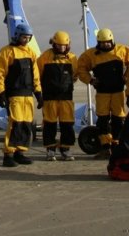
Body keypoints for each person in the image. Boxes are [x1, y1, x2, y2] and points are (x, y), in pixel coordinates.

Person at [0, 22, 43, 167]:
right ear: (17, 36)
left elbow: (35, 76)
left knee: (26, 124)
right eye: (23, 37)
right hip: (14, 95)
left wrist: (38, 93)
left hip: (27, 95)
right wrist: (0, 94)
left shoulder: (30, 53)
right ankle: (8, 154)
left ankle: (20, 152)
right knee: (15, 124)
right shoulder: (6, 52)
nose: (26, 40)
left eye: (28, 38)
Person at [77, 28, 129, 158]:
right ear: (98, 42)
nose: (105, 44)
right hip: (102, 92)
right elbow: (81, 69)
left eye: (108, 42)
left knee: (118, 119)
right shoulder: (91, 55)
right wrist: (90, 80)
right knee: (102, 120)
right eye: (102, 42)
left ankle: (116, 145)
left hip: (118, 92)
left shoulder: (122, 50)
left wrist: (126, 76)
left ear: (112, 40)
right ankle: (105, 147)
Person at [36, 31, 78, 161]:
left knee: (67, 125)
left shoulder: (72, 58)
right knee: (49, 125)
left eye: (64, 45)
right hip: (49, 99)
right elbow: (37, 76)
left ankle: (65, 149)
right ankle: (50, 150)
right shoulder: (44, 57)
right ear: (54, 44)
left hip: (66, 98)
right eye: (59, 45)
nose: (62, 48)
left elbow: (75, 75)